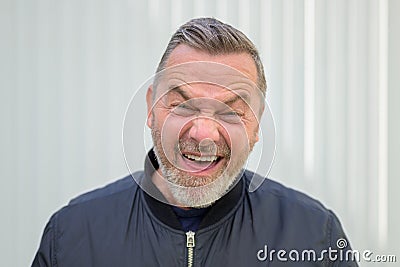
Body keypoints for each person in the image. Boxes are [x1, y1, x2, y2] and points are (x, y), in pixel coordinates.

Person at [32, 17, 358, 266]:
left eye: (231, 112)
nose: (203, 134)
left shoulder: (315, 237)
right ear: (150, 109)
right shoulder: (72, 235)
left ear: (256, 127)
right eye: (182, 105)